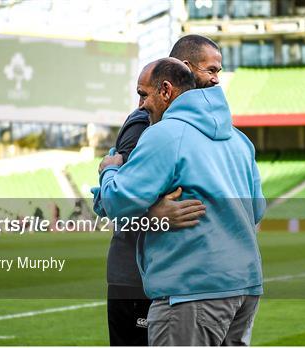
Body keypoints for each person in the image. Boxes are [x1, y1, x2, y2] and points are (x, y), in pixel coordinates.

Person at [97, 57, 265, 346]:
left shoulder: (163, 133)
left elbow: (115, 202)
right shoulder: (239, 139)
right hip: (244, 288)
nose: (140, 105)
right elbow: (257, 209)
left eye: (143, 94)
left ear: (165, 90)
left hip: (192, 291)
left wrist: (109, 170)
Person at [94, 34, 224, 346]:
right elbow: (110, 201)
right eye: (211, 70)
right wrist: (155, 215)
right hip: (137, 277)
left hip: (182, 279)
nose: (217, 80)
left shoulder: (206, 126)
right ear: (185, 69)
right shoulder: (144, 121)